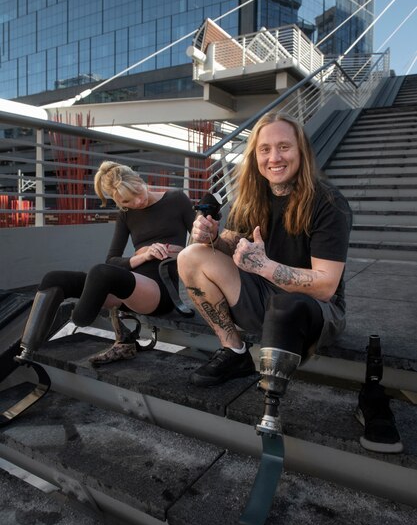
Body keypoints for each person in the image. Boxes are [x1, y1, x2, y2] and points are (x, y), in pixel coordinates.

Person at [177, 111, 352, 386]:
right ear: (255, 156)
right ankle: (234, 351)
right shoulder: (249, 198)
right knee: (191, 256)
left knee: (288, 304)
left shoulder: (328, 202)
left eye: (284, 147)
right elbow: (232, 245)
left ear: (301, 150)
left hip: (315, 310)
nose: (274, 158)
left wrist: (264, 266)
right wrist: (213, 238)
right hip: (262, 298)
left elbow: (326, 286)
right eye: (265, 149)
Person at [20, 161, 195, 366]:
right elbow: (112, 259)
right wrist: (143, 255)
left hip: (160, 290)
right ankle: (27, 348)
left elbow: (201, 244)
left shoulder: (176, 199)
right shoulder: (126, 215)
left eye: (137, 193)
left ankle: (80, 318)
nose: (137, 202)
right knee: (53, 278)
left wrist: (181, 251)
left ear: (139, 180)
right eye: (127, 201)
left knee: (101, 273)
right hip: (130, 282)